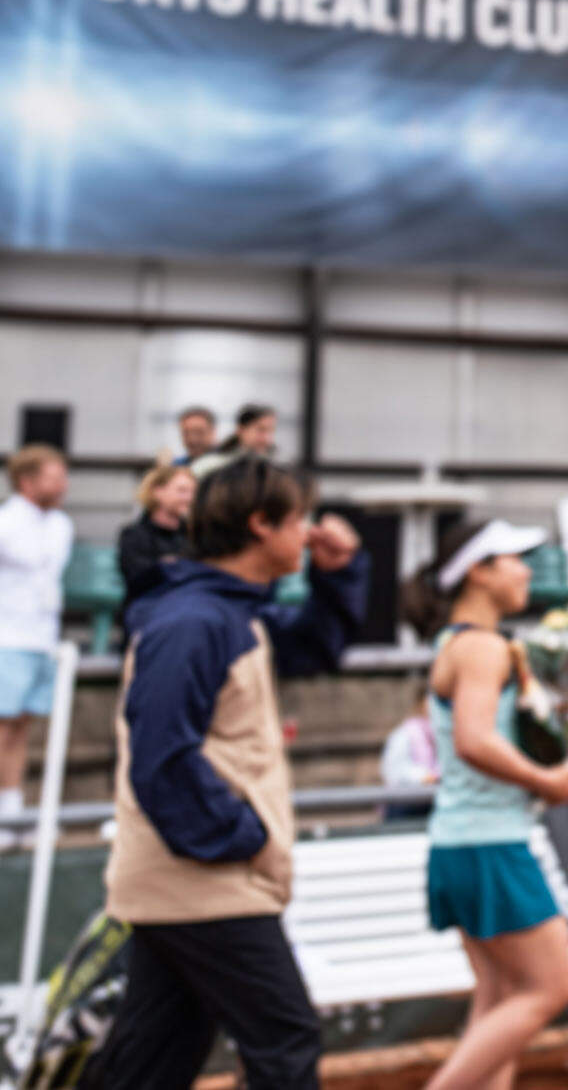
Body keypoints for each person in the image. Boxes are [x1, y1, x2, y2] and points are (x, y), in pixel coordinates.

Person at [84, 457, 368, 1090]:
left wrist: (338, 576)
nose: (309, 532)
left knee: (151, 1061)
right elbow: (161, 755)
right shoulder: (194, 619)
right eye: (299, 519)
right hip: (204, 878)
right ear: (261, 524)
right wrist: (241, 837)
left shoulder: (225, 611)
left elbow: (315, 647)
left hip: (189, 876)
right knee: (284, 1042)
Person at [401, 519, 568, 1090]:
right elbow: (474, 740)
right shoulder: (482, 646)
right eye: (513, 559)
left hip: (465, 842)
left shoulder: (458, 643)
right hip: (489, 844)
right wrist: (546, 781)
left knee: (501, 996)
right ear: (478, 572)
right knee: (550, 989)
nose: (527, 571)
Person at [0, 445, 73, 851]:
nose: (63, 485)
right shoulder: (5, 522)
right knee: (2, 728)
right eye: (53, 477)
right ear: (27, 481)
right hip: (6, 638)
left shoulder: (61, 525)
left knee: (22, 728)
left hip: (43, 638)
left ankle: (14, 812)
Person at [116, 464, 196, 641]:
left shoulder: (195, 537)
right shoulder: (134, 535)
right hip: (147, 620)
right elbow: (136, 578)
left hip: (189, 620)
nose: (189, 498)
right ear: (158, 492)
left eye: (192, 492)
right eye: (182, 491)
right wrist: (166, 566)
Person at [379, 680, 440, 823]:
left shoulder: (447, 733)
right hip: (408, 807)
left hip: (436, 803)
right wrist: (424, 777)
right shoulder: (405, 734)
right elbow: (393, 771)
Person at [191, 404, 278, 480]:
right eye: (261, 430)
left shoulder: (276, 470)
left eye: (271, 431)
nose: (267, 439)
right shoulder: (209, 467)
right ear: (241, 430)